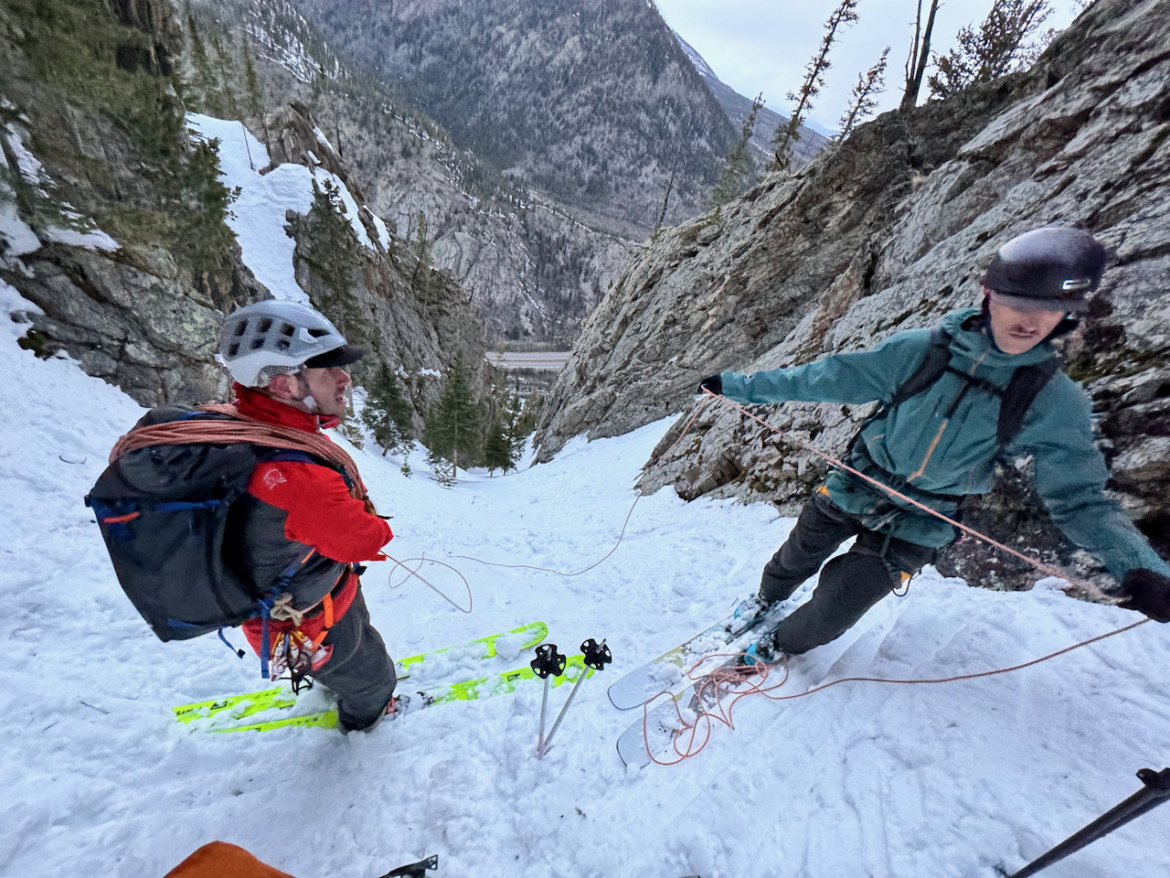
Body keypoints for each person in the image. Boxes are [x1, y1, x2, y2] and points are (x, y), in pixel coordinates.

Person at [698, 226, 1170, 663]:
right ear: (989, 297)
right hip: (856, 484)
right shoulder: (922, 351)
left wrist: (1142, 570)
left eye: (1049, 310)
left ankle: (776, 643)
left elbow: (1080, 500)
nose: (1030, 321)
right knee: (792, 561)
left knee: (829, 617)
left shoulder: (1053, 402)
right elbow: (827, 378)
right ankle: (766, 601)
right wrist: (739, 387)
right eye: (1016, 302)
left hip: (922, 523)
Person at [217, 299, 398, 731]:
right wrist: (378, 525)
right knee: (371, 676)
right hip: (307, 620)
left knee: (352, 645)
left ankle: (333, 680)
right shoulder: (296, 475)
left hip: (299, 602)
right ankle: (368, 716)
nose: (345, 378)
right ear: (284, 386)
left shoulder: (247, 425)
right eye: (327, 369)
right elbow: (364, 539)